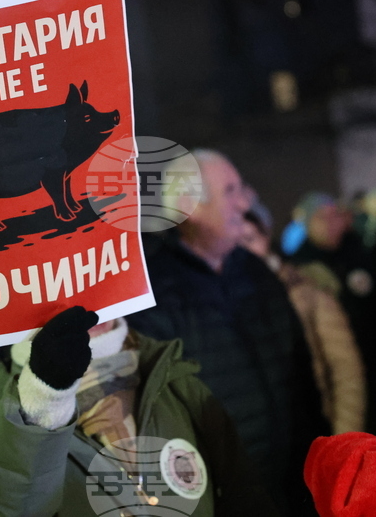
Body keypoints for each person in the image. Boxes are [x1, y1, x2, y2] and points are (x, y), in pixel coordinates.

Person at [128, 149, 327, 516]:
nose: (245, 201)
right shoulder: (153, 294)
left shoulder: (257, 273)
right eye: (231, 190)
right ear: (191, 206)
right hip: (216, 499)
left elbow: (301, 379)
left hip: (290, 488)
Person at [0, 306, 275, 517]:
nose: (86, 303)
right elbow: (6, 509)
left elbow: (246, 496)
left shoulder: (173, 379)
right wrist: (45, 396)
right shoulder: (3, 414)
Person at [239, 203, 366, 434]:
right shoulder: (231, 301)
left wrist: (342, 441)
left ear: (266, 238)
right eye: (235, 242)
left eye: (249, 239)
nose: (242, 250)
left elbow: (346, 373)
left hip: (313, 432)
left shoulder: (306, 291)